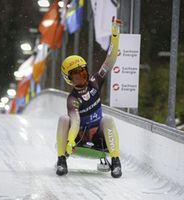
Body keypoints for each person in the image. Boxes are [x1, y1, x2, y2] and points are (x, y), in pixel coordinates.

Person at [56, 16, 123, 178]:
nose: (81, 77)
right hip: (79, 138)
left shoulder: (95, 82)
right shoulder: (73, 99)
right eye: (76, 75)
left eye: (83, 72)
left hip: (99, 138)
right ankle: (61, 160)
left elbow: (111, 59)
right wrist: (71, 141)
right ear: (69, 79)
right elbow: (75, 121)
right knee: (64, 119)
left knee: (107, 119)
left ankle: (116, 162)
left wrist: (115, 35)